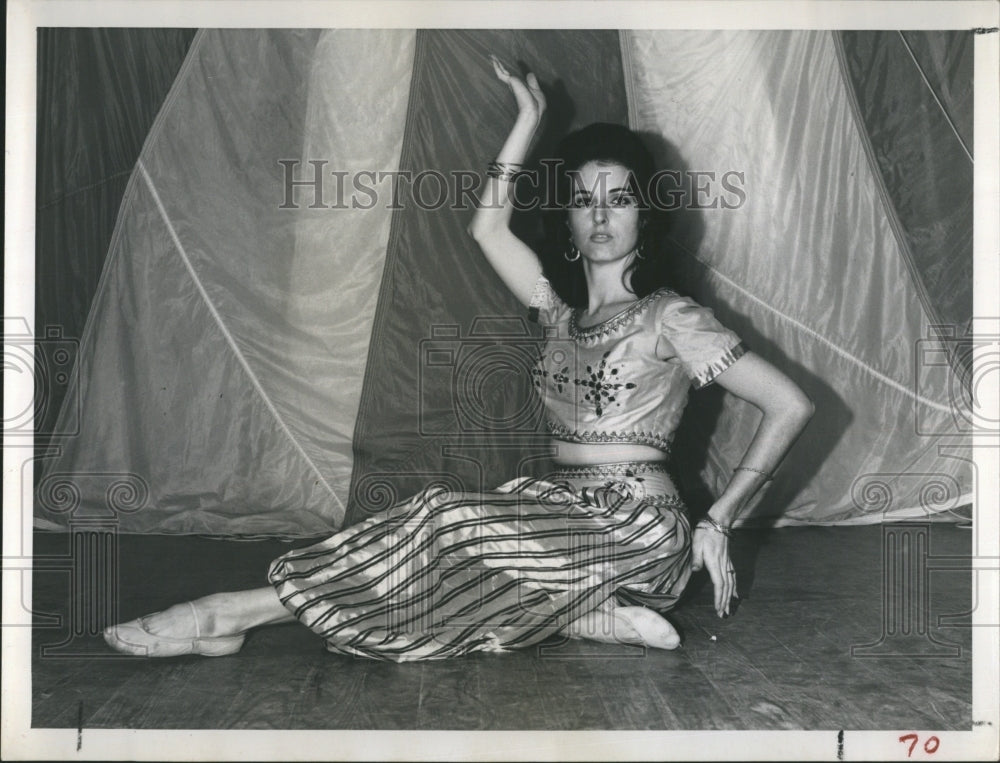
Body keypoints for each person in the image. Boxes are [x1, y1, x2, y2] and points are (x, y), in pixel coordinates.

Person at [103, 56, 814, 662]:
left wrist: (717, 518)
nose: (601, 216)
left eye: (619, 199)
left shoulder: (670, 315)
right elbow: (487, 227)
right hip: (560, 516)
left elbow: (791, 404)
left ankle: (230, 613)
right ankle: (582, 614)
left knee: (450, 524)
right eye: (583, 200)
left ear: (643, 214)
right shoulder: (560, 314)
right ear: (566, 218)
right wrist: (527, 122)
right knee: (444, 536)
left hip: (636, 528)